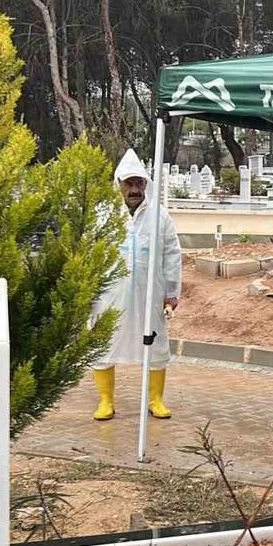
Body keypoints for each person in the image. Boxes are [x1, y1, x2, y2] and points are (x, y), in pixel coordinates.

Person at [90, 150, 182, 422]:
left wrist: (172, 293)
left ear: (146, 184)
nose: (134, 189)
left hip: (149, 293)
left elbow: (171, 254)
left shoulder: (159, 216)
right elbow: (89, 251)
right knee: (104, 344)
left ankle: (156, 400)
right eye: (128, 183)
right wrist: (87, 290)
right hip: (109, 294)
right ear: (118, 184)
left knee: (155, 345)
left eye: (139, 183)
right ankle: (106, 401)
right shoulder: (102, 213)